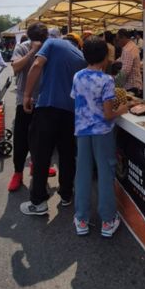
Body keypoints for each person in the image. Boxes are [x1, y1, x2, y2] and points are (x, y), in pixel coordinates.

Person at [20, 32, 87, 216]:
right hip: (71, 113)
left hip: (48, 107)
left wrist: (27, 95)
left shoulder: (52, 42)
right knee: (66, 155)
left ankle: (39, 202)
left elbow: (36, 64)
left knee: (41, 155)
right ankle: (66, 195)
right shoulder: (82, 57)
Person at [71, 37, 130, 237]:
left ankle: (81, 219)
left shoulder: (77, 76)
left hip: (82, 132)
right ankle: (108, 221)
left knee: (83, 174)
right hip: (102, 133)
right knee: (106, 174)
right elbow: (107, 113)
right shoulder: (107, 80)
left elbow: (78, 102)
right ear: (105, 57)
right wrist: (122, 109)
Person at [7, 23, 55, 192]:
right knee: (21, 138)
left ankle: (37, 166)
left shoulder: (51, 47)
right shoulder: (22, 47)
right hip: (24, 100)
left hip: (45, 100)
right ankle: (18, 173)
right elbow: (15, 67)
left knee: (42, 139)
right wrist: (32, 51)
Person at [116, 29, 142, 96]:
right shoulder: (131, 45)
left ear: (123, 38)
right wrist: (114, 62)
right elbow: (122, 59)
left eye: (118, 40)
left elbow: (125, 70)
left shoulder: (128, 49)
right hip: (134, 84)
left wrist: (116, 83)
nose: (117, 42)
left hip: (131, 86)